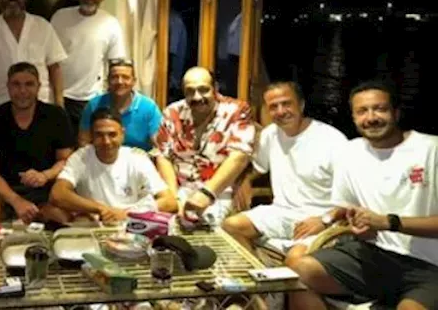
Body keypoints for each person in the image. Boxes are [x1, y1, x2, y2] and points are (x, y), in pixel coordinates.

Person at [289, 81, 438, 310]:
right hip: (373, 257)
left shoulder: (431, 149)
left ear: (396, 112)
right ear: (354, 117)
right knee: (297, 273)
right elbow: (346, 208)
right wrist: (351, 223)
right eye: (362, 111)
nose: (371, 118)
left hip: (429, 266)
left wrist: (389, 222)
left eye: (380, 109)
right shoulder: (350, 152)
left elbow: (385, 221)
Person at [221, 81, 347, 265]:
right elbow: (257, 167)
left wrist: (324, 220)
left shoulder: (332, 140)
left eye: (286, 104)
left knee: (295, 260)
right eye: (273, 107)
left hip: (321, 218)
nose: (280, 111)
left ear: (301, 105)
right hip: (282, 213)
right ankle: (259, 277)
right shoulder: (270, 135)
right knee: (231, 226)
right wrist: (244, 180)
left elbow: (354, 196)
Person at [0, 62, 75, 226]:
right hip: (2, 189)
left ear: (38, 86)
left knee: (59, 218)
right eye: (16, 84)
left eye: (29, 84)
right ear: (8, 87)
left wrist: (45, 175)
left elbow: (65, 160)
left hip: (44, 188)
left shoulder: (56, 116)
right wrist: (16, 200)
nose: (22, 91)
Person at [152, 66, 256, 226]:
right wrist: (173, 197)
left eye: (203, 90)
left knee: (205, 227)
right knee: (156, 225)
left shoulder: (236, 111)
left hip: (219, 190)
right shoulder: (172, 112)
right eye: (190, 91)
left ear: (215, 88)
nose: (197, 97)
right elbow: (163, 155)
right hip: (180, 188)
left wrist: (207, 193)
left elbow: (240, 156)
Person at [50, 107, 177, 221]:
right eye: (99, 135)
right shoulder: (80, 157)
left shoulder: (137, 158)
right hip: (94, 224)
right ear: (91, 136)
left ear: (122, 134)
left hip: (131, 225)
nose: (106, 141)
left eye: (112, 135)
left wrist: (127, 213)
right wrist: (100, 209)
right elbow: (57, 194)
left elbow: (170, 202)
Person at [51, 0, 126, 130]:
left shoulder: (111, 24)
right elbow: (51, 59)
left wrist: (113, 97)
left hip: (94, 97)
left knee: (91, 141)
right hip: (61, 96)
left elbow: (116, 63)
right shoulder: (60, 17)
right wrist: (57, 100)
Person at [78, 59, 162, 152]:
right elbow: (83, 141)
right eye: (114, 77)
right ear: (108, 81)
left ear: (134, 81)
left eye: (125, 77)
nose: (120, 82)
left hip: (139, 157)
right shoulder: (94, 105)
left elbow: (158, 144)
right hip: (103, 156)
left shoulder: (149, 107)